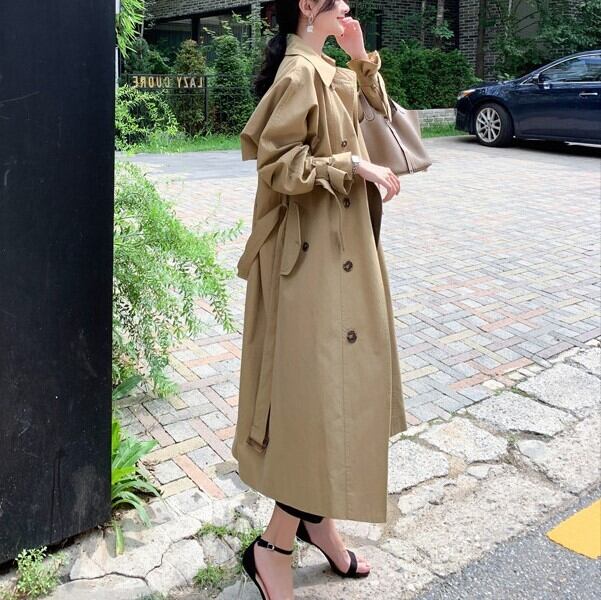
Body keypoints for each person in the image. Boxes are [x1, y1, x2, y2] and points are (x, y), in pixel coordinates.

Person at [231, 1, 408, 598]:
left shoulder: (325, 68)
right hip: (309, 261)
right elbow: (277, 164)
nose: (349, 6)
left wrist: (361, 61)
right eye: (337, 0)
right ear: (309, 6)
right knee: (318, 401)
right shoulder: (298, 73)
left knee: (336, 392)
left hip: (339, 250)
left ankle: (318, 526)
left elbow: (380, 123)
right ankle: (273, 547)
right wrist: (350, 165)